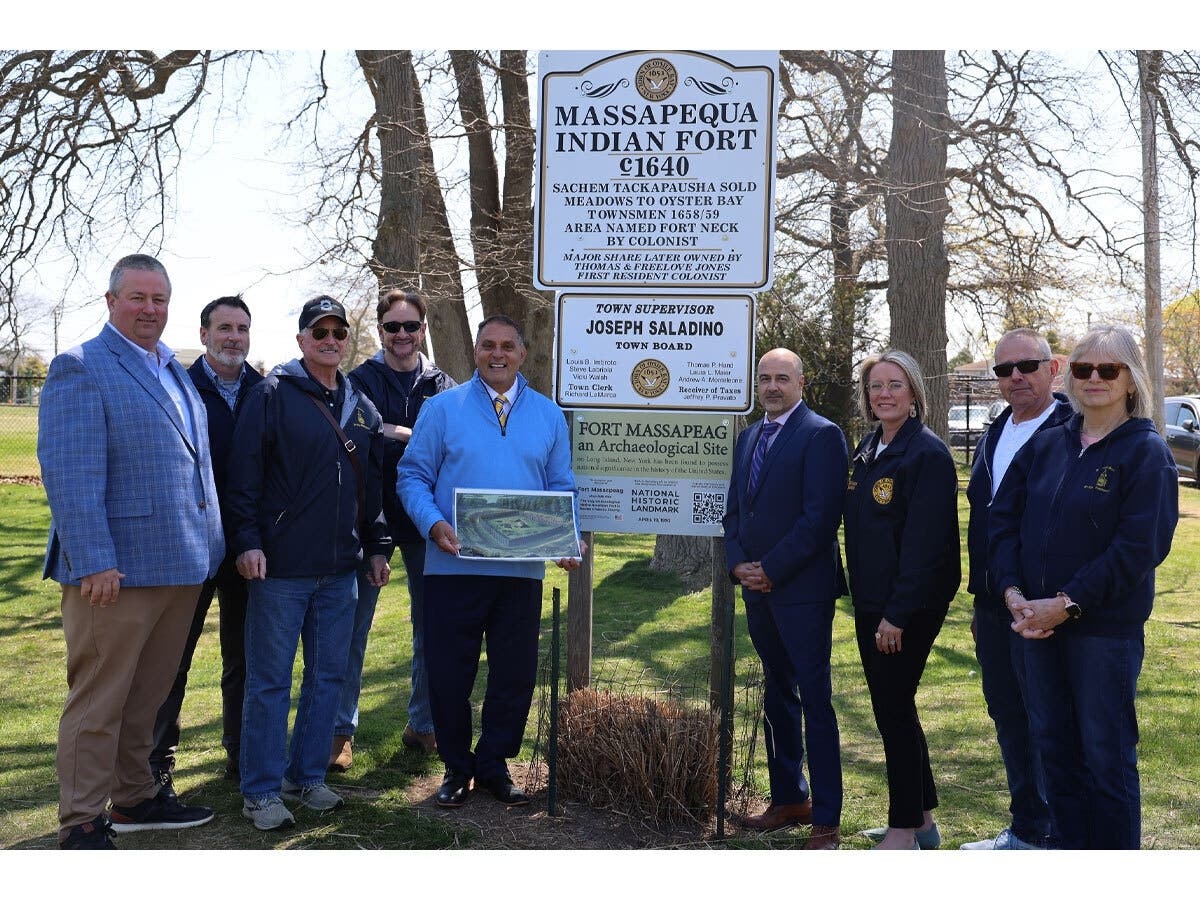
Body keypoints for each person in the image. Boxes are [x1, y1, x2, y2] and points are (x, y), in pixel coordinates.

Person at [38, 253, 223, 848]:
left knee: (146, 698)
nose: (150, 309)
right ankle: (82, 821)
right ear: (111, 300)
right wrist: (93, 558)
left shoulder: (172, 367)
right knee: (99, 699)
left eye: (160, 299)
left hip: (181, 564)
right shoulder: (82, 366)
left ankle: (134, 798)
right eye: (138, 298)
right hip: (113, 572)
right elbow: (70, 473)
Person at [990, 324, 1178, 850]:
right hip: (1034, 630)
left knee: (1105, 759)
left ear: (1130, 379)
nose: (1094, 378)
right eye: (1082, 369)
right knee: (1055, 753)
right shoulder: (1048, 444)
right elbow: (1001, 521)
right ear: (1069, 377)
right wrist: (1013, 596)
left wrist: (1067, 604)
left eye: (1108, 369)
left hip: (1103, 635)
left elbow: (1139, 549)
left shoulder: (1146, 453)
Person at [397, 315, 583, 809]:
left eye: (506, 346)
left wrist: (566, 537)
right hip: (453, 566)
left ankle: (495, 763)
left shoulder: (548, 415)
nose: (496, 354)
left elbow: (561, 485)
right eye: (487, 346)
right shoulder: (442, 409)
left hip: (520, 571)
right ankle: (457, 768)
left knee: (514, 673)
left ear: (522, 354)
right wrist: (432, 523)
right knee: (449, 673)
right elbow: (411, 476)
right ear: (475, 352)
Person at [225, 295, 393, 831]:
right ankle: (261, 790)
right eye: (318, 333)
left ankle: (307, 776)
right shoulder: (272, 394)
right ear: (301, 340)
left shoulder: (361, 405)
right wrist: (248, 541)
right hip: (280, 570)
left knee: (328, 677)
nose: (329, 341)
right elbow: (243, 477)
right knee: (270, 682)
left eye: (338, 333)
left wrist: (377, 545)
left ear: (348, 340)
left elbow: (372, 487)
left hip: (341, 570)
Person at [722, 349, 848, 850]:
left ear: (801, 382)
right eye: (764, 378)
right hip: (756, 590)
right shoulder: (749, 435)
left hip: (801, 592)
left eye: (782, 378)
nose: (772, 386)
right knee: (779, 693)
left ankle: (827, 816)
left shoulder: (822, 434)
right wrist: (738, 564)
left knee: (814, 698)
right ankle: (789, 797)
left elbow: (820, 519)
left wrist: (772, 569)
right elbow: (733, 510)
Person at [332, 289, 456, 770]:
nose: (401, 335)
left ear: (423, 329)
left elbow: (453, 440)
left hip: (429, 518)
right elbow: (354, 434)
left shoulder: (443, 383)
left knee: (433, 625)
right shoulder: (358, 380)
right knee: (354, 625)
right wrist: (406, 434)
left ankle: (423, 723)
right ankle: (341, 730)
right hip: (371, 518)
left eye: (410, 326)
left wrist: (392, 432)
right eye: (392, 327)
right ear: (380, 330)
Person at [843, 349, 959, 851]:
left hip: (905, 607)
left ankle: (902, 830)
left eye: (894, 385)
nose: (883, 394)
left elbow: (925, 546)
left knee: (892, 708)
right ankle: (924, 823)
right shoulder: (868, 448)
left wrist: (896, 615)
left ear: (914, 394)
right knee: (896, 707)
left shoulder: (926, 454)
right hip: (872, 601)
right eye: (875, 386)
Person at [960, 328, 1069, 851]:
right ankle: (1026, 828)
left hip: (1048, 608)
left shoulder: (1074, 431)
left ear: (1054, 368)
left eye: (1027, 365)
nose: (1016, 376)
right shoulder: (995, 431)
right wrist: (983, 597)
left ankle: (1056, 834)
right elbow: (985, 524)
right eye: (1004, 370)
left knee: (1047, 719)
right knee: (1006, 713)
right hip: (995, 602)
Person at [149, 295, 263, 788]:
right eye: (224, 328)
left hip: (247, 548)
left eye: (241, 328)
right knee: (173, 657)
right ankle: (154, 764)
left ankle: (240, 755)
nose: (233, 337)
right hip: (189, 545)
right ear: (204, 335)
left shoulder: (267, 390)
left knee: (244, 657)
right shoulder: (178, 386)